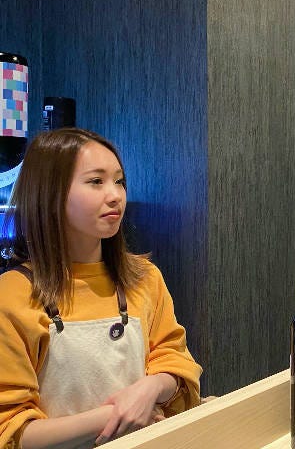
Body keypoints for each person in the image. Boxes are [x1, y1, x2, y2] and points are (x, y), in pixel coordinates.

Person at [0, 128, 202, 448]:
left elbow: (177, 367)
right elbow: (10, 430)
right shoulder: (11, 294)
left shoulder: (145, 278)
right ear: (50, 193)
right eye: (97, 182)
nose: (115, 195)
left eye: (119, 181)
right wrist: (121, 414)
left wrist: (149, 390)